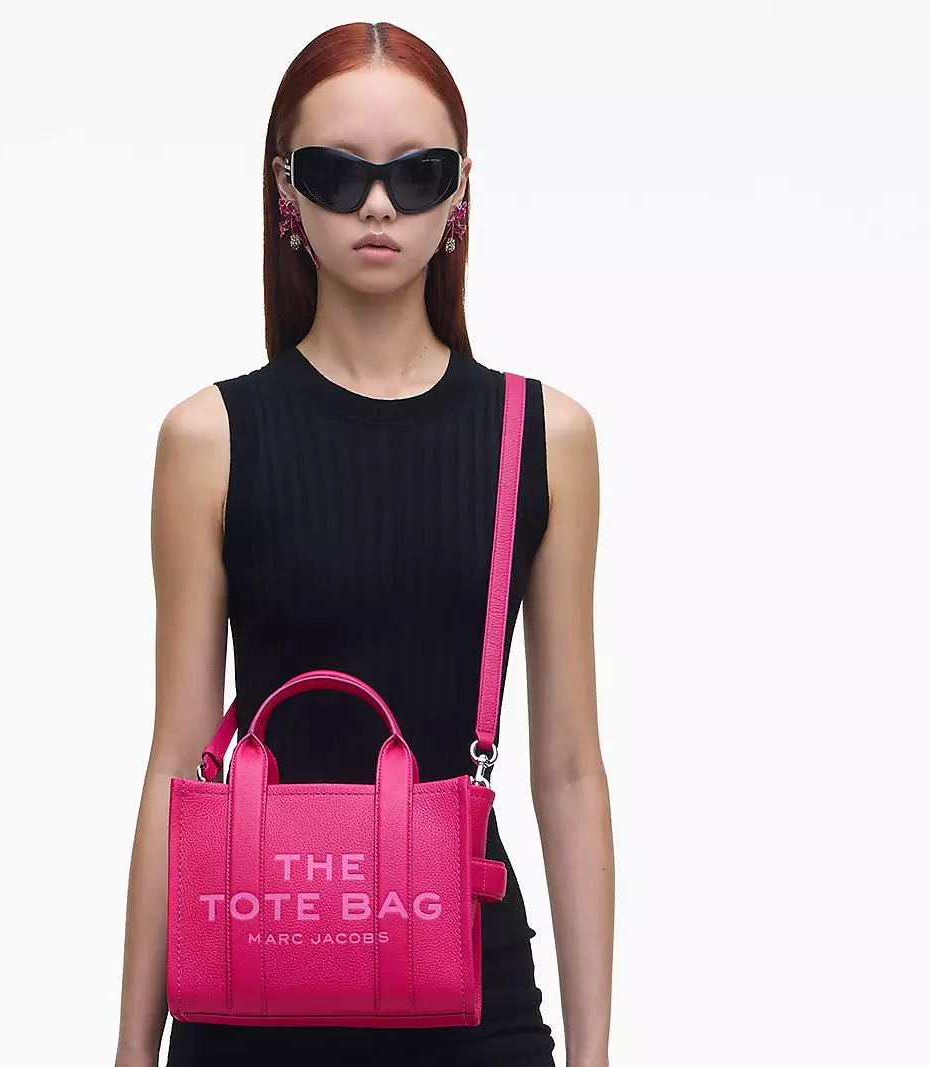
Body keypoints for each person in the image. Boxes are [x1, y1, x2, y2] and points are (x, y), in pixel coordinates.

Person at [115, 21, 613, 1067]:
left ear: (460, 191)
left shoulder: (541, 437)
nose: (378, 205)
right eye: (338, 174)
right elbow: (178, 758)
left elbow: (569, 769)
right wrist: (130, 1048)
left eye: (416, 173)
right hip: (246, 995)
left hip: (472, 1004)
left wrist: (594, 1053)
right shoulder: (208, 439)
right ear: (284, 191)